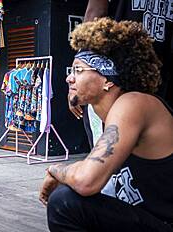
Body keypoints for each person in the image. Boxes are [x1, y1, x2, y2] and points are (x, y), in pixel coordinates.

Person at [39, 18, 173, 231]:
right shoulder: (101, 116)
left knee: (64, 202)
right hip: (144, 219)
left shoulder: (133, 103)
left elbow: (86, 180)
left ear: (107, 80)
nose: (69, 79)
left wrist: (56, 170)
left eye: (78, 71)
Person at [69, 0, 173, 147]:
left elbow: (95, 14)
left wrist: (80, 71)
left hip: (113, 78)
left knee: (107, 157)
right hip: (153, 74)